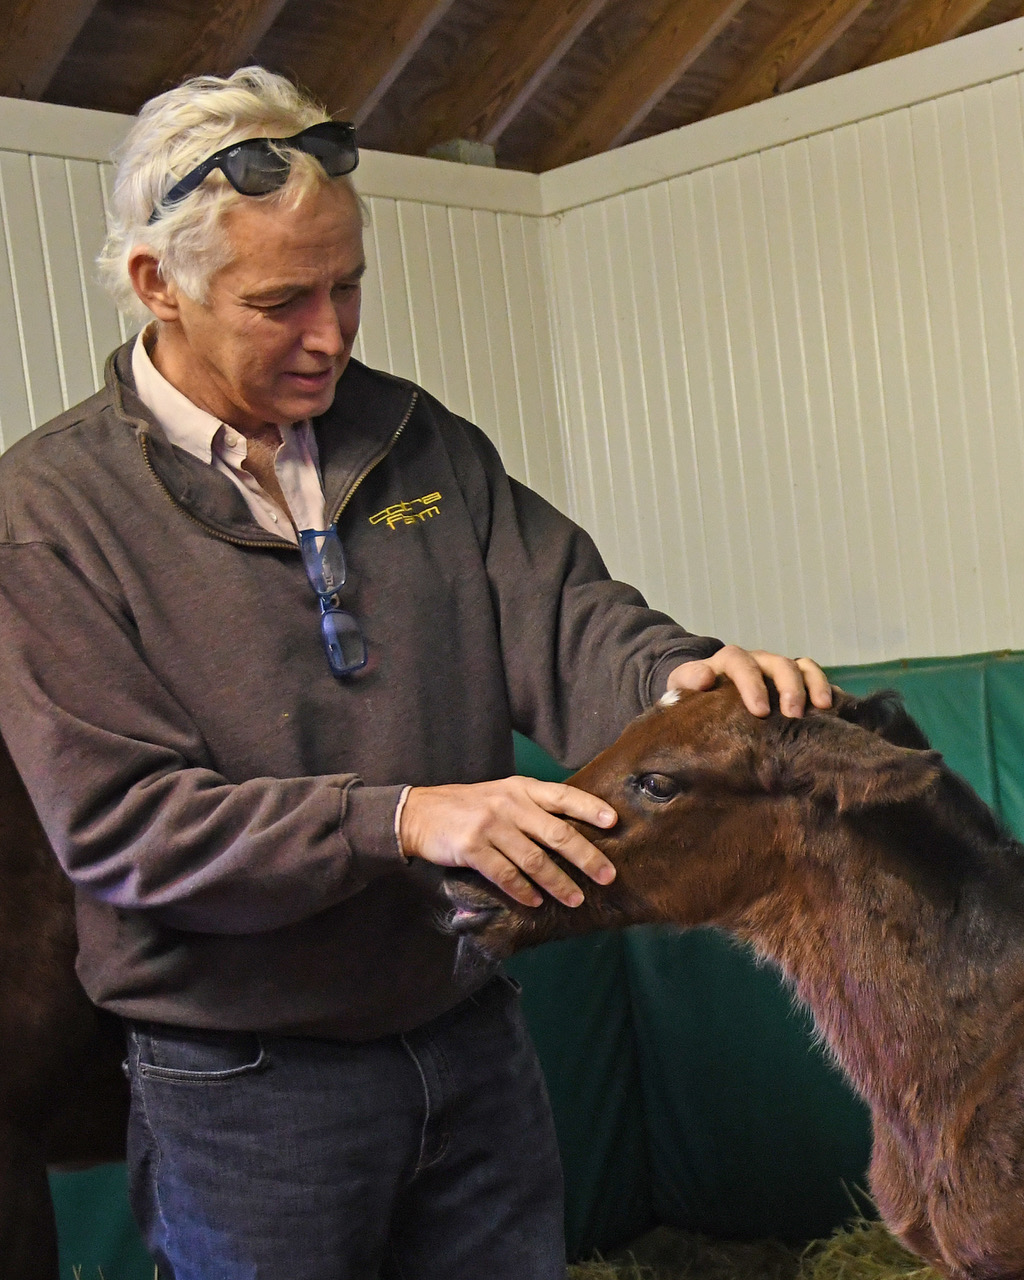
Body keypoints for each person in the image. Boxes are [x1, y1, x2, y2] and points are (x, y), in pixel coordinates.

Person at [0, 68, 831, 1280]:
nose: (331, 334)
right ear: (156, 285)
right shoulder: (49, 515)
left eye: (347, 286)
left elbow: (567, 618)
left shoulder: (414, 435)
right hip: (244, 1083)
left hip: (467, 1028)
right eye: (282, 300)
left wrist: (683, 679)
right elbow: (128, 827)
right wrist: (405, 818)